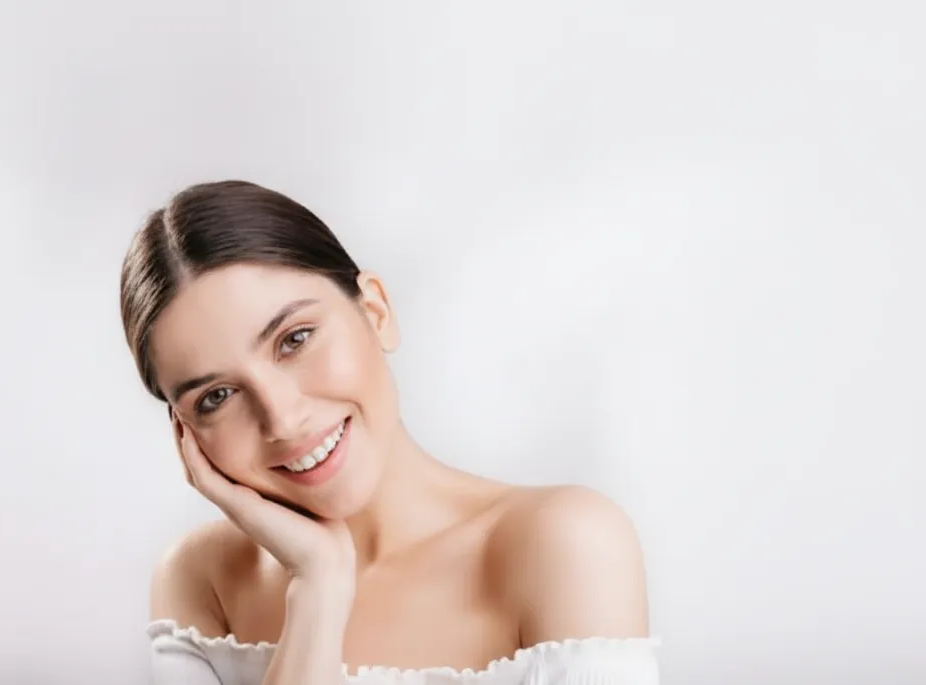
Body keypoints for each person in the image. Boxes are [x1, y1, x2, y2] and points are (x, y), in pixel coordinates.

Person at [119, 180, 660, 684]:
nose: (282, 418)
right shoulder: (200, 580)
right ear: (185, 433)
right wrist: (317, 591)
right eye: (216, 397)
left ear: (375, 311)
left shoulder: (564, 543)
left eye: (295, 339)